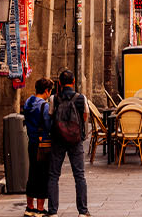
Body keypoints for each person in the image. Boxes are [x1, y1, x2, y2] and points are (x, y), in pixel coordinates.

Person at [46, 70, 89, 215]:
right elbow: (85, 116)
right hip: (75, 140)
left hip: (58, 139)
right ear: (74, 81)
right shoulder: (81, 98)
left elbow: (50, 115)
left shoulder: (54, 98)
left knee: (53, 175)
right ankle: (82, 211)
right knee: (79, 175)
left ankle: (52, 211)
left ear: (59, 83)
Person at [21, 78, 56, 213]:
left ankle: (29, 206)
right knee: (42, 175)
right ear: (46, 91)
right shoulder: (44, 106)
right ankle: (40, 208)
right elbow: (48, 125)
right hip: (43, 144)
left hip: (32, 141)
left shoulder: (28, 102)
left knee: (32, 173)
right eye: (50, 91)